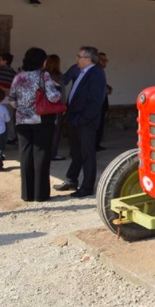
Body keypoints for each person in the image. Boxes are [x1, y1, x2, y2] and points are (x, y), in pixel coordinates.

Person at [10, 47, 61, 202]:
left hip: (22, 120)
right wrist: (56, 87)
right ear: (41, 61)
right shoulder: (43, 76)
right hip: (41, 120)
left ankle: (27, 194)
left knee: (25, 154)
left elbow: (12, 100)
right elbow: (54, 97)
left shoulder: (18, 76)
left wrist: (23, 108)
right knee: (41, 155)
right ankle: (40, 194)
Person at [54, 46, 107, 198]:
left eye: (79, 56)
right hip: (74, 118)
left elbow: (95, 101)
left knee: (87, 154)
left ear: (88, 59)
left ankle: (87, 187)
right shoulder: (83, 72)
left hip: (84, 121)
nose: (76, 59)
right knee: (76, 152)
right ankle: (71, 180)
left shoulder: (96, 73)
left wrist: (83, 119)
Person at [0, 53, 17, 145]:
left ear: (5, 61)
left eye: (0, 60)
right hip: (9, 100)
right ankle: (11, 137)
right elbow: (14, 89)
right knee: (10, 120)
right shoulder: (14, 74)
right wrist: (6, 90)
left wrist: (0, 88)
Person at [44, 55, 66, 161]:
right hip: (55, 107)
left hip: (43, 107)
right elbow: (62, 93)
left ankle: (43, 152)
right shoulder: (58, 76)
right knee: (56, 131)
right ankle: (52, 153)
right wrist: (63, 106)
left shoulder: (42, 75)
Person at [96, 52, 113, 151]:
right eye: (103, 60)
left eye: (106, 60)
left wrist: (107, 87)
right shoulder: (95, 71)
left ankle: (97, 144)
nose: (105, 62)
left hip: (102, 102)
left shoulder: (100, 71)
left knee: (100, 124)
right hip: (97, 103)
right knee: (97, 125)